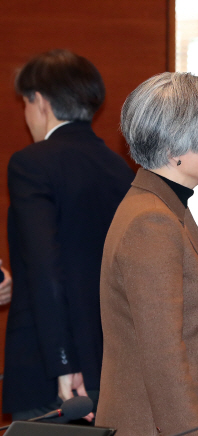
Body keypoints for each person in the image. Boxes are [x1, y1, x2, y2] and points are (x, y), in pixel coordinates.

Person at [95, 72, 198, 436]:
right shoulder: (152, 221)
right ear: (174, 149)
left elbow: (172, 329)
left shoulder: (165, 206)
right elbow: (163, 360)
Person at [3, 49, 134, 422]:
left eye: (25, 102)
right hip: (109, 365)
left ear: (39, 102)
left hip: (53, 372)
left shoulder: (31, 163)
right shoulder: (120, 169)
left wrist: (64, 362)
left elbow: (47, 266)